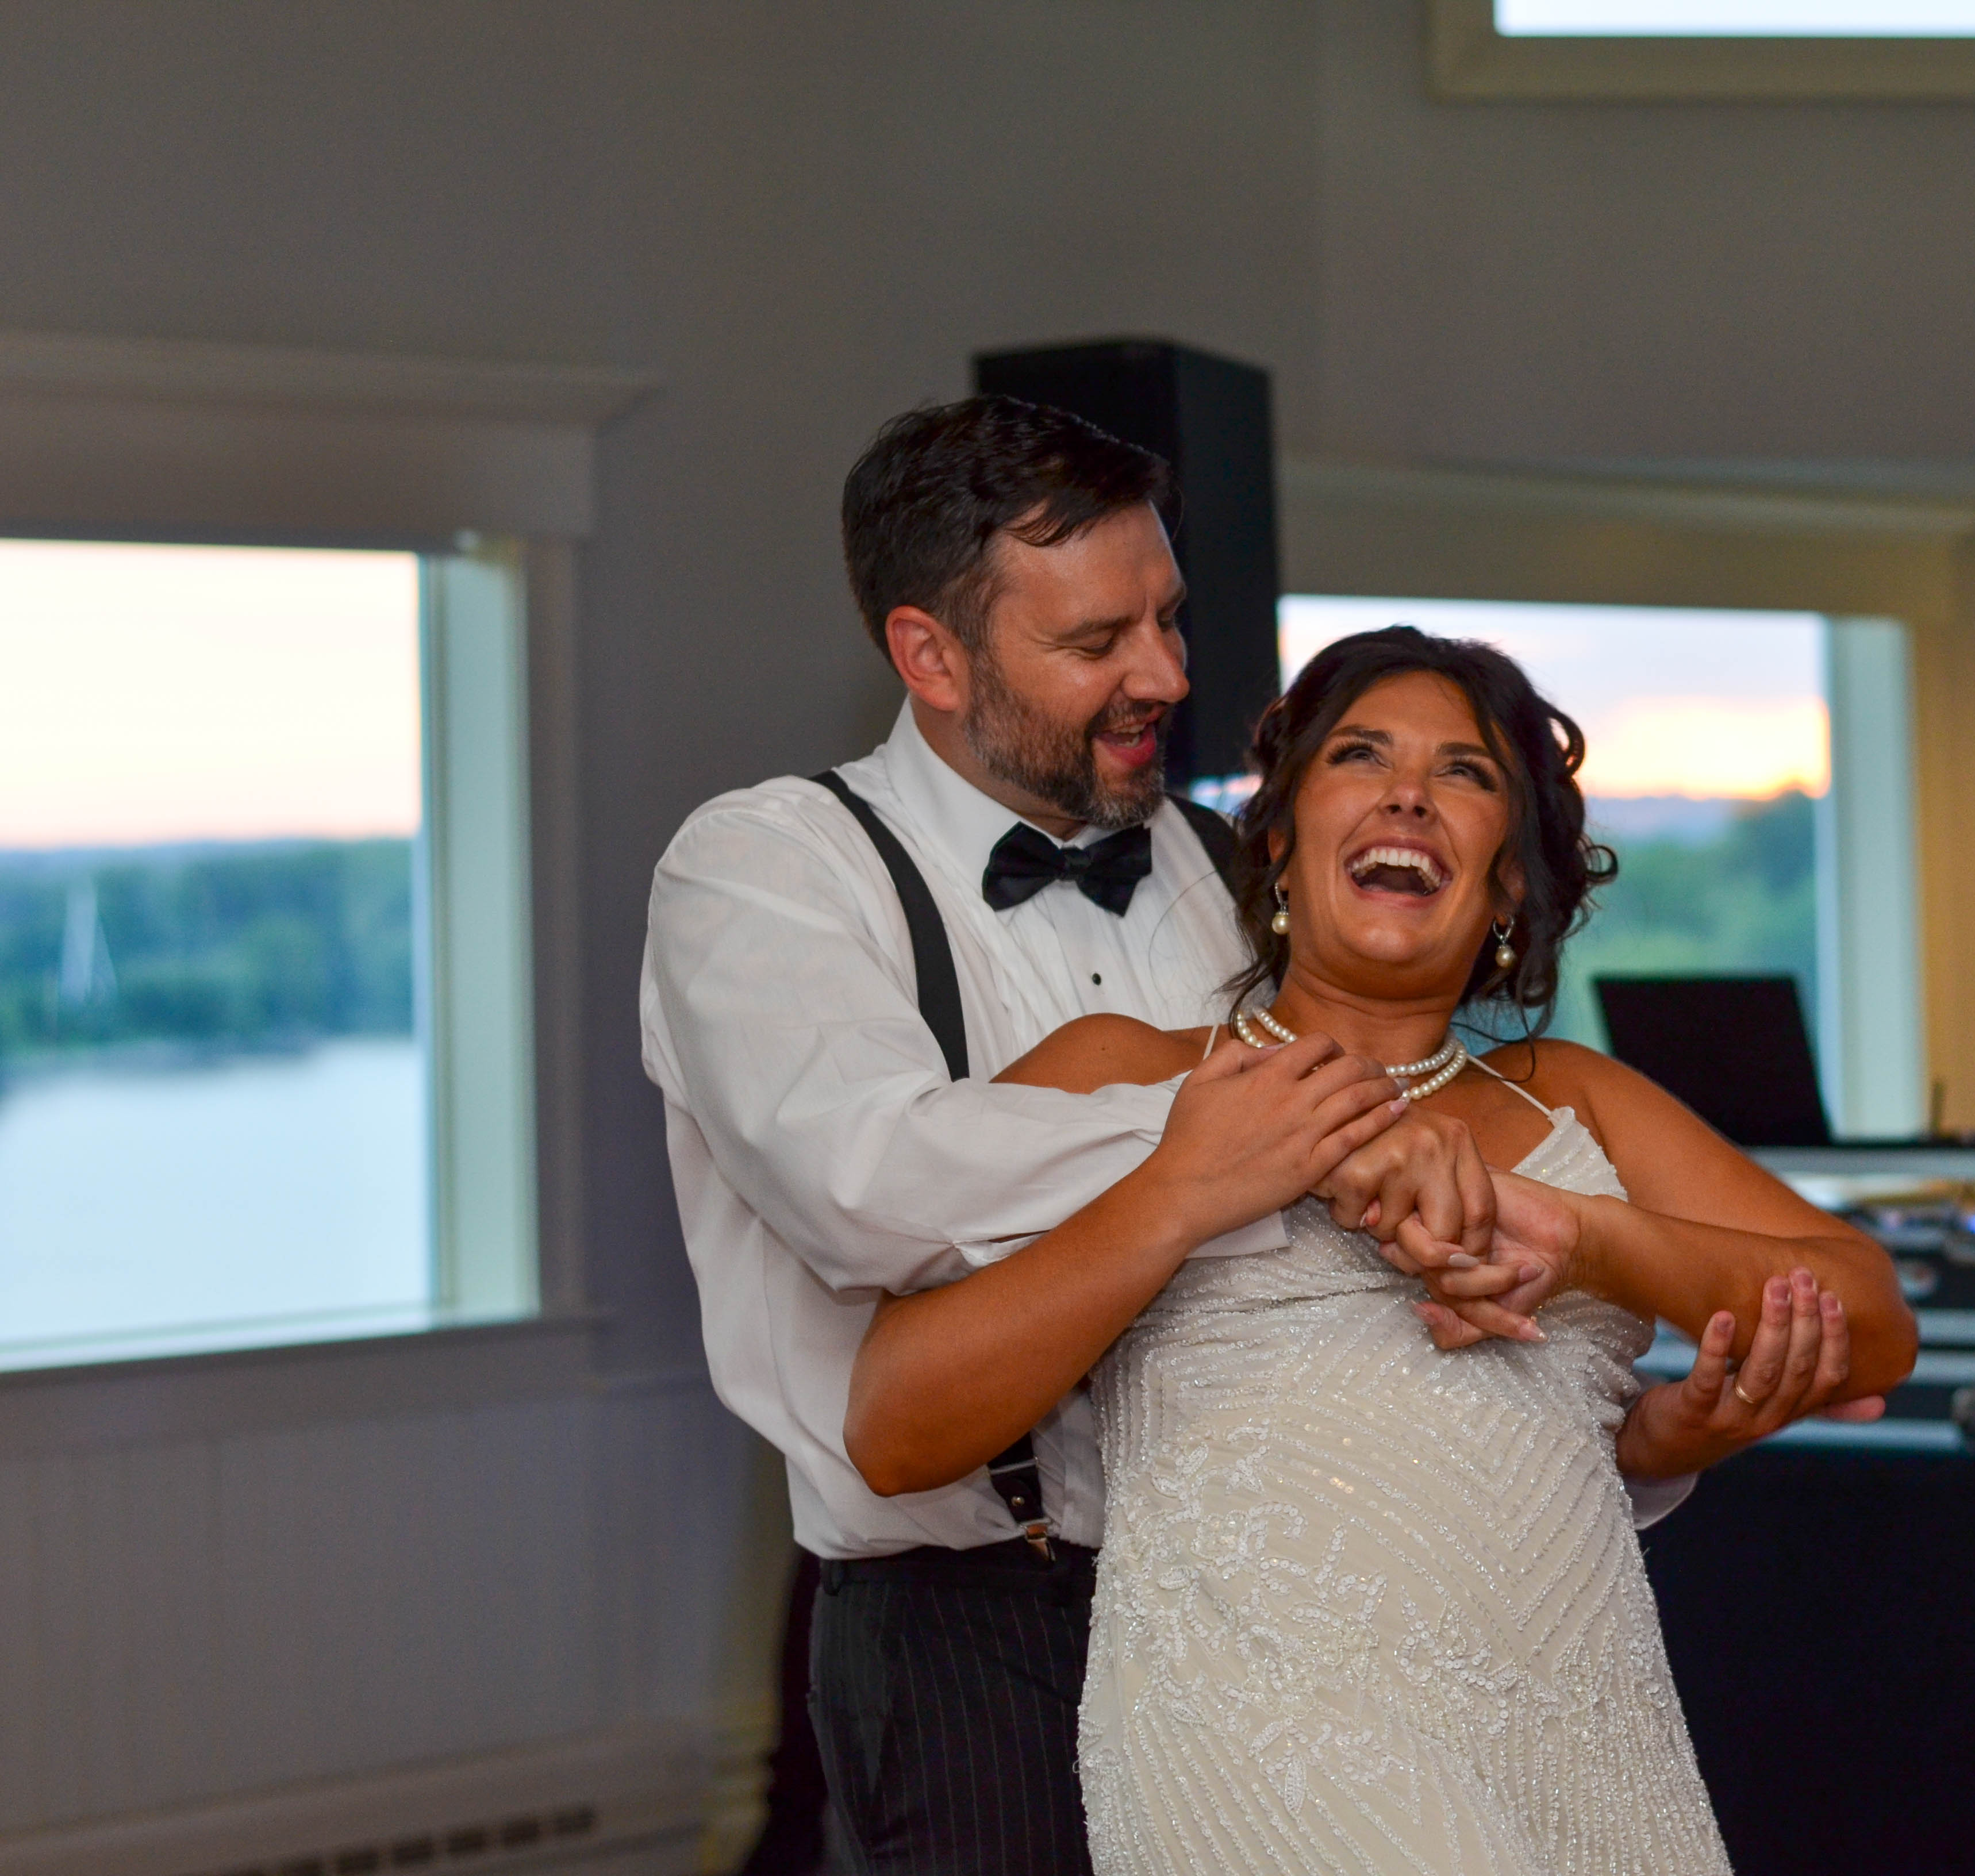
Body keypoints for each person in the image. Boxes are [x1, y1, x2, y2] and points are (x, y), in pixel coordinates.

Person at [643, 399, 1874, 1876]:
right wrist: (1303, 1130)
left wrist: (1648, 1431)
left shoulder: (1236, 868)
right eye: (1100, 642)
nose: (1164, 673)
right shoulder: (770, 869)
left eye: (1169, 619)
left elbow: (1378, 1379)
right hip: (976, 1614)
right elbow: (865, 1188)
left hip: (1366, 1629)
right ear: (933, 656)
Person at [844, 626, 1919, 1875]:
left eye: (1465, 775)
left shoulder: (1573, 1104)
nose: (1409, 791)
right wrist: (1189, 1189)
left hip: (1583, 1735)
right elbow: (890, 1423)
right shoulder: (1126, 1075)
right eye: (1361, 756)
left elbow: (1871, 1320)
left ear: (1509, 882)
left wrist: (1582, 1238)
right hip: (1268, 1752)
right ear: (1282, 840)